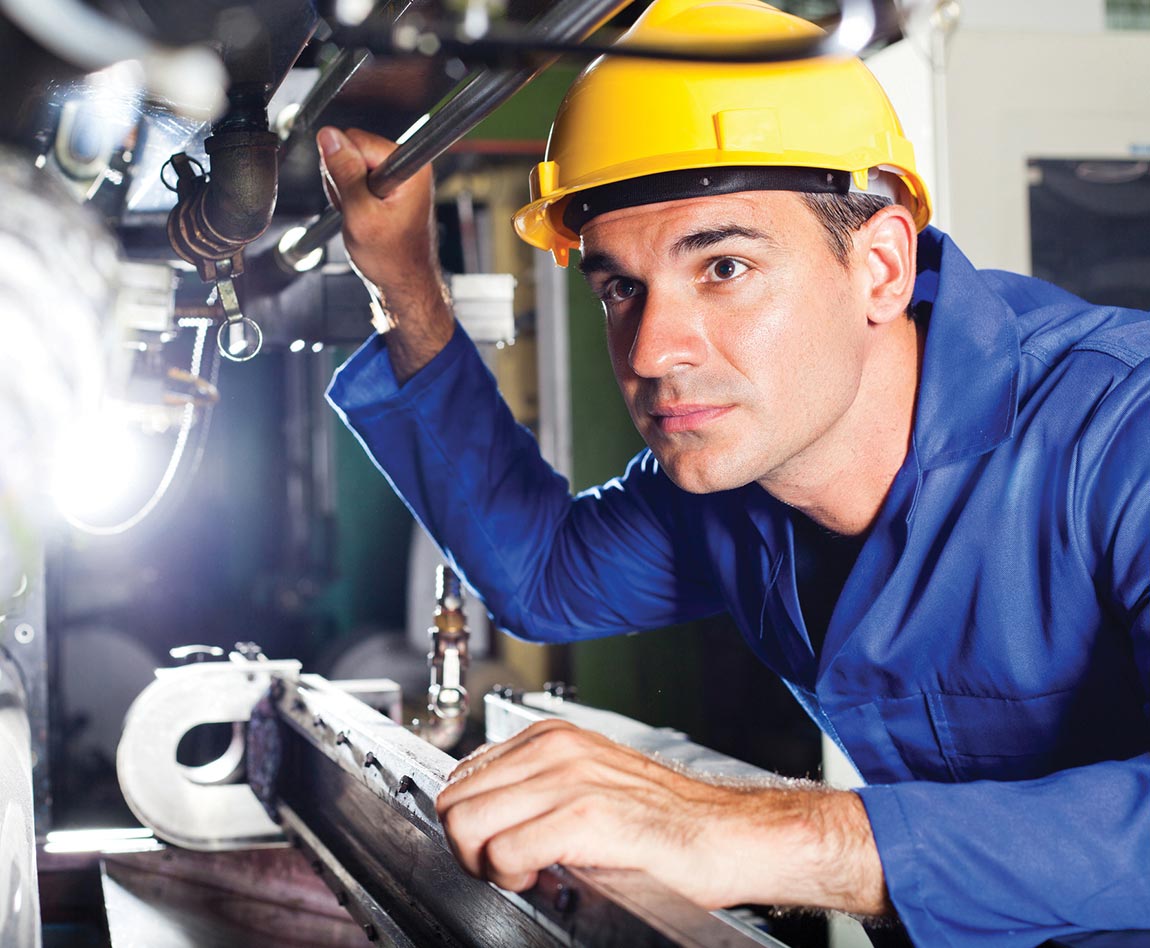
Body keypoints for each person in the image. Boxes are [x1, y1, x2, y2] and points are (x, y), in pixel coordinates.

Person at [320, 0, 1150, 944]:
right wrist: (403, 281)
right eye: (621, 287)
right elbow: (543, 575)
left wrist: (753, 830)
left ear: (881, 267)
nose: (652, 351)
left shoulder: (1121, 431)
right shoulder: (735, 481)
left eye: (723, 267)